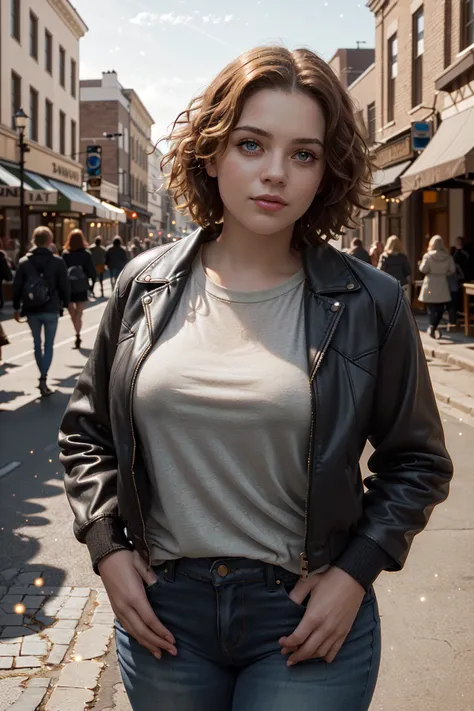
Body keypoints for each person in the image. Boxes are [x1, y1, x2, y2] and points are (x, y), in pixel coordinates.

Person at [59, 46, 453, 711]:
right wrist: (107, 547)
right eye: (251, 144)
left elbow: (417, 462)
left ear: (326, 171)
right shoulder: (143, 284)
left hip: (305, 616)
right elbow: (87, 432)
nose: (275, 174)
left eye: (304, 153)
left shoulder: (371, 302)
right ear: (211, 153)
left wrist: (354, 575)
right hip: (166, 616)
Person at [12, 226, 69, 396]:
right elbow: (64, 285)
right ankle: (43, 377)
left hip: (31, 309)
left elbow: (17, 287)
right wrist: (66, 304)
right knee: (49, 345)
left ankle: (41, 374)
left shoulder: (24, 262)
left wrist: (16, 307)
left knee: (36, 343)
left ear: (33, 241)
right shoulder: (57, 262)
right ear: (50, 241)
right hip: (51, 308)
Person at [62, 229, 96, 350]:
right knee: (80, 313)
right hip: (82, 286)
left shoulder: (65, 254)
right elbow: (92, 272)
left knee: (72, 312)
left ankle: (77, 333)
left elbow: (62, 271)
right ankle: (78, 334)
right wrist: (91, 286)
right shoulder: (86, 254)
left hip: (69, 287)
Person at [419, 235, 456, 339]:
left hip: (430, 282)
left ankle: (432, 325)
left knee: (431, 306)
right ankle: (434, 326)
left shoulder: (428, 256)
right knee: (440, 306)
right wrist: (445, 273)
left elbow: (423, 269)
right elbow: (452, 270)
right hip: (442, 283)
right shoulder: (447, 256)